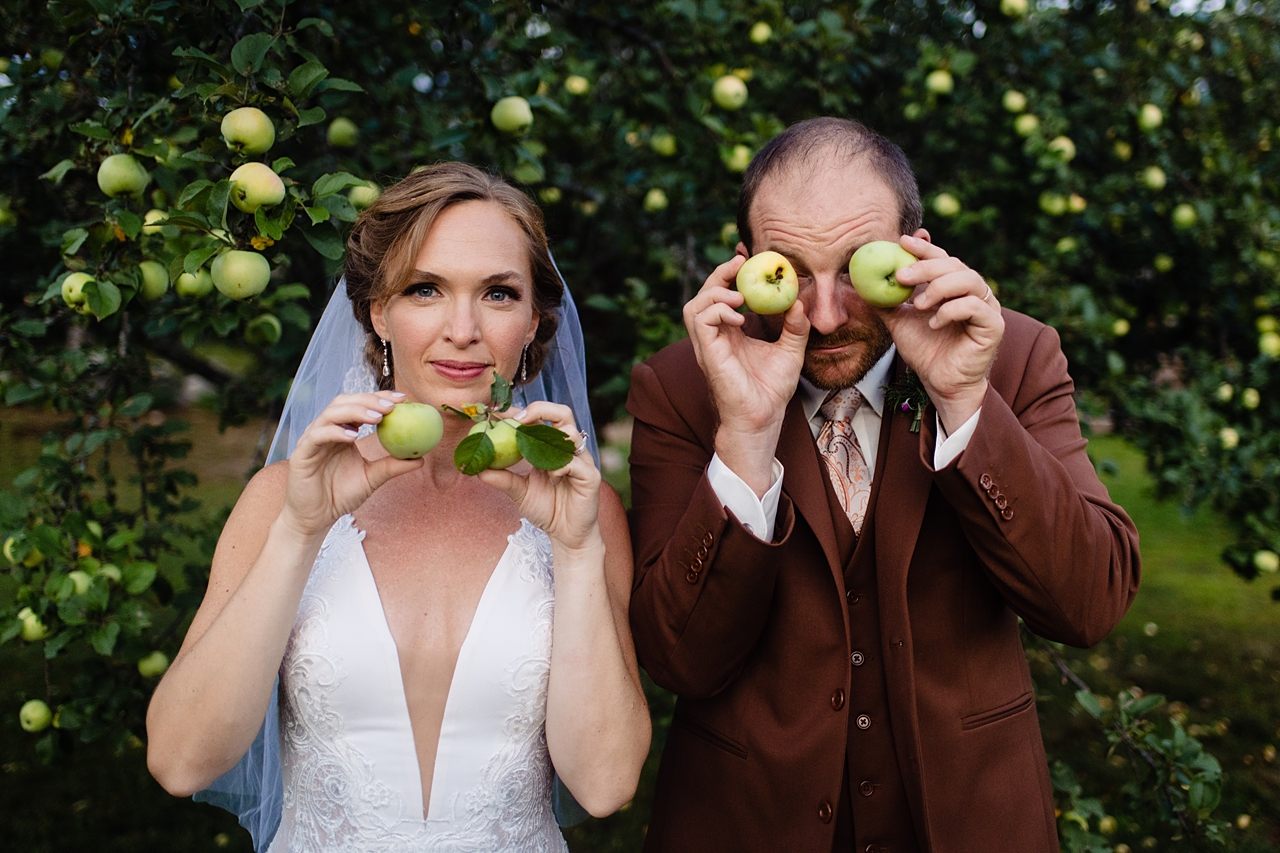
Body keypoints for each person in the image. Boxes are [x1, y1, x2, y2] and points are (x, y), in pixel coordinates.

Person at [625, 117, 1141, 852]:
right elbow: (679, 658)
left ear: (916, 249)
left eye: (856, 267)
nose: (828, 313)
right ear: (744, 264)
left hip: (971, 820)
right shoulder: (681, 386)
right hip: (746, 822)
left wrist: (965, 401)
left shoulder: (1013, 354)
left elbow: (1089, 603)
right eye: (791, 272)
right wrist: (744, 436)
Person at [146, 162, 651, 852]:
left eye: (499, 294)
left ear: (533, 322)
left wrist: (578, 547)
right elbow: (181, 761)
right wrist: (299, 531)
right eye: (425, 289)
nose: (463, 328)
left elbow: (605, 783)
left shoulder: (580, 512)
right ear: (379, 312)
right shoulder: (283, 500)